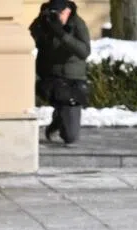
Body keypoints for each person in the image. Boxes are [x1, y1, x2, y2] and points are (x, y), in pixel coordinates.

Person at [30, 0, 91, 145]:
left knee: (71, 137)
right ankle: (60, 113)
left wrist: (62, 35)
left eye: (60, 13)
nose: (58, 16)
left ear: (68, 11)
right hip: (50, 78)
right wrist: (41, 25)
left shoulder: (77, 24)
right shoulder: (45, 21)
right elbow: (29, 40)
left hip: (73, 80)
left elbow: (84, 52)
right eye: (54, 12)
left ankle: (59, 119)